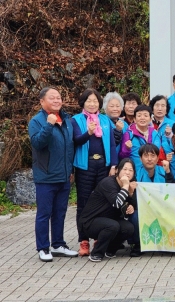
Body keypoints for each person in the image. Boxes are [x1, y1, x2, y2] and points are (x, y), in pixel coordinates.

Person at [29, 87, 78, 262]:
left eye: (59, 97)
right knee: (44, 213)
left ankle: (58, 244)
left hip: (64, 176)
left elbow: (69, 147)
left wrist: (70, 170)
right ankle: (43, 247)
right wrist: (49, 125)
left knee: (60, 212)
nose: (57, 100)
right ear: (42, 101)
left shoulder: (66, 119)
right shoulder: (37, 121)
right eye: (52, 98)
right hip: (46, 176)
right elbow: (37, 143)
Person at [71, 88, 118, 256]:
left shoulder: (105, 120)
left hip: (103, 166)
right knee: (83, 204)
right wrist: (88, 132)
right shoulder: (76, 120)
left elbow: (112, 145)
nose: (92, 104)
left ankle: (99, 237)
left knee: (103, 203)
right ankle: (83, 241)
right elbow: (76, 140)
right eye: (88, 101)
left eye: (95, 101)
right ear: (83, 102)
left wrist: (113, 165)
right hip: (85, 166)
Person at [79, 158, 136, 262]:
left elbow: (129, 207)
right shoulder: (108, 183)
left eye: (131, 170)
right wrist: (126, 186)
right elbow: (117, 203)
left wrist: (131, 199)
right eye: (124, 169)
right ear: (117, 170)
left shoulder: (130, 184)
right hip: (90, 222)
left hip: (109, 220)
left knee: (128, 228)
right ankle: (96, 253)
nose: (127, 172)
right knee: (112, 226)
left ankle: (110, 250)